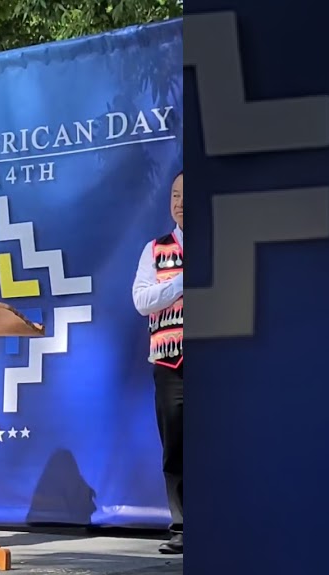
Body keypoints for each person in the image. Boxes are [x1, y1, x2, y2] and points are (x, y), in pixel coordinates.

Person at [132, 170, 184, 554]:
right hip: (170, 363)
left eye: (187, 195)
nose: (180, 203)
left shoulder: (224, 241)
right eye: (175, 195)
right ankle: (182, 526)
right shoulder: (155, 249)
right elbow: (142, 301)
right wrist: (183, 282)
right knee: (176, 446)